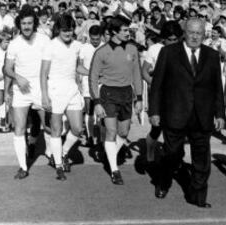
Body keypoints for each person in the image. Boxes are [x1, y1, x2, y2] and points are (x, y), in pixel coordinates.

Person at [149, 18, 225, 208]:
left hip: (202, 116)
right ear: (184, 33)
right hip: (175, 113)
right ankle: (163, 183)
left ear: (204, 34)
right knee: (172, 155)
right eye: (191, 32)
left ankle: (197, 196)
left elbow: (217, 88)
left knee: (202, 159)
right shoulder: (168, 52)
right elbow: (157, 85)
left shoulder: (212, 55)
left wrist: (220, 114)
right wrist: (155, 111)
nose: (194, 36)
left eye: (198, 33)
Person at [89, 16, 143, 185]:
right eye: (125, 30)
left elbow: (137, 74)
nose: (129, 33)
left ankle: (109, 152)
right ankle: (114, 170)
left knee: (124, 133)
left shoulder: (132, 49)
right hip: (108, 94)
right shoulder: (101, 52)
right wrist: (97, 102)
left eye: (129, 30)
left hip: (127, 93)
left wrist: (139, 98)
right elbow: (92, 78)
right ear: (114, 32)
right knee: (111, 132)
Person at [4, 5, 51, 179]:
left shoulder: (44, 39)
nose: (26, 26)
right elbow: (7, 68)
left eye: (30, 23)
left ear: (35, 23)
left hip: (41, 87)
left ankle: (55, 155)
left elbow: (51, 63)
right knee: (19, 128)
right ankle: (23, 167)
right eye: (23, 23)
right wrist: (17, 77)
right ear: (19, 24)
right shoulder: (14, 43)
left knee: (50, 125)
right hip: (21, 89)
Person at [40, 14, 88, 181]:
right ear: (58, 30)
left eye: (70, 30)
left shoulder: (77, 45)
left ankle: (62, 153)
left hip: (72, 88)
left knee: (77, 129)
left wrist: (94, 74)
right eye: (65, 30)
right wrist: (44, 96)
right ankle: (59, 165)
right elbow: (43, 73)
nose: (68, 33)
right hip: (54, 89)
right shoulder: (50, 46)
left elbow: (77, 67)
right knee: (56, 130)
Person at [142, 21, 184, 162]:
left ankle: (173, 159)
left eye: (175, 39)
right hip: (159, 95)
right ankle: (150, 150)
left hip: (177, 95)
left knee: (174, 128)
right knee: (157, 128)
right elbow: (144, 71)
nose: (173, 42)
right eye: (169, 40)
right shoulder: (154, 49)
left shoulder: (182, 49)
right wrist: (154, 84)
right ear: (163, 38)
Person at [79, 25, 104, 147]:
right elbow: (79, 67)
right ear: (89, 37)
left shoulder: (105, 47)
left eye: (97, 39)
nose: (95, 41)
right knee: (89, 109)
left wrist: (101, 76)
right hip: (87, 81)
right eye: (93, 39)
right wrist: (92, 74)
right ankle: (89, 136)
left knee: (101, 110)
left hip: (102, 82)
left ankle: (100, 137)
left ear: (101, 37)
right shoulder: (84, 48)